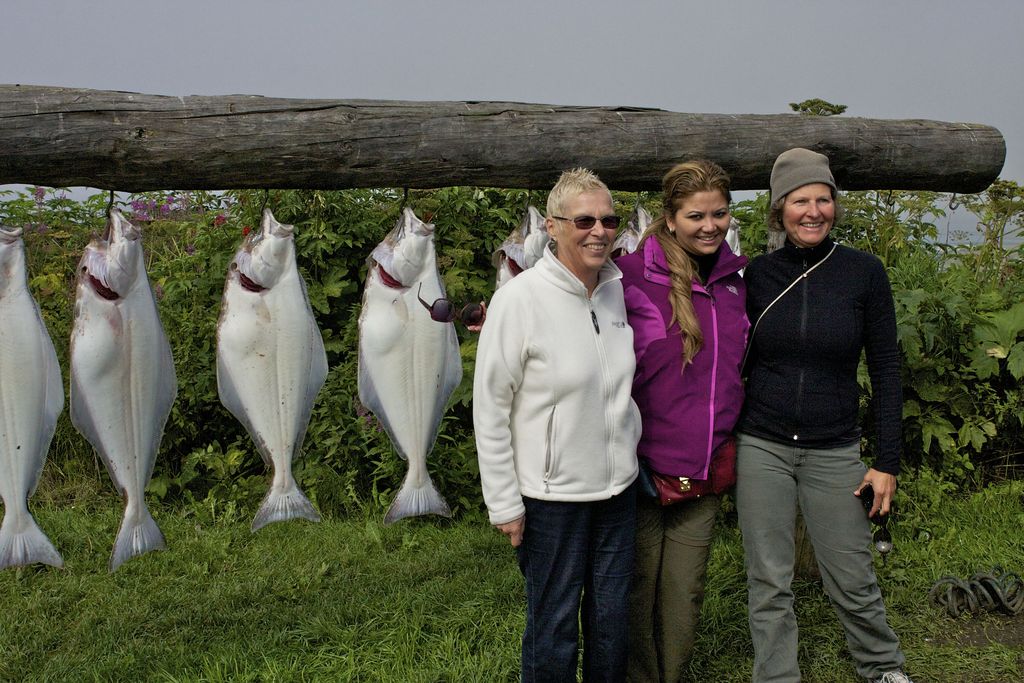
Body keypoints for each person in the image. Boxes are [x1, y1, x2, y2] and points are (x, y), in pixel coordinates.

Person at [736, 148, 913, 683]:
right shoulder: (757, 276)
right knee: (768, 578)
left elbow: (885, 367)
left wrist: (887, 460)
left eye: (823, 199)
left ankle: (882, 667)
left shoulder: (864, 273)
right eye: (799, 200)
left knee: (852, 572)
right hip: (761, 444)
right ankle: (776, 676)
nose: (812, 211)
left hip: (835, 446)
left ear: (834, 205)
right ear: (778, 209)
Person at [473, 168, 642, 682]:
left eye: (609, 220)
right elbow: (490, 406)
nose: (600, 231)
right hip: (551, 499)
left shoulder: (614, 291)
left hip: (617, 491)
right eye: (584, 220)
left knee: (612, 621)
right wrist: (504, 501)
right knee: (554, 625)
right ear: (552, 226)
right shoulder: (520, 300)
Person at [616, 160, 749, 682]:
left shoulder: (738, 281)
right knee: (636, 591)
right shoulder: (627, 277)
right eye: (696, 215)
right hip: (641, 471)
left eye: (719, 213)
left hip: (707, 468)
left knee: (683, 593)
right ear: (670, 218)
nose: (710, 225)